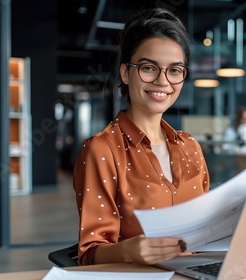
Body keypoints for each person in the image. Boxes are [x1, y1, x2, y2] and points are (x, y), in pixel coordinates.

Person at [73, 8, 210, 266]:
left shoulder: (190, 146)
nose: (162, 81)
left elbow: (207, 233)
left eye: (175, 70)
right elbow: (90, 252)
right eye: (149, 68)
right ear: (126, 73)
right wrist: (130, 251)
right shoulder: (102, 149)